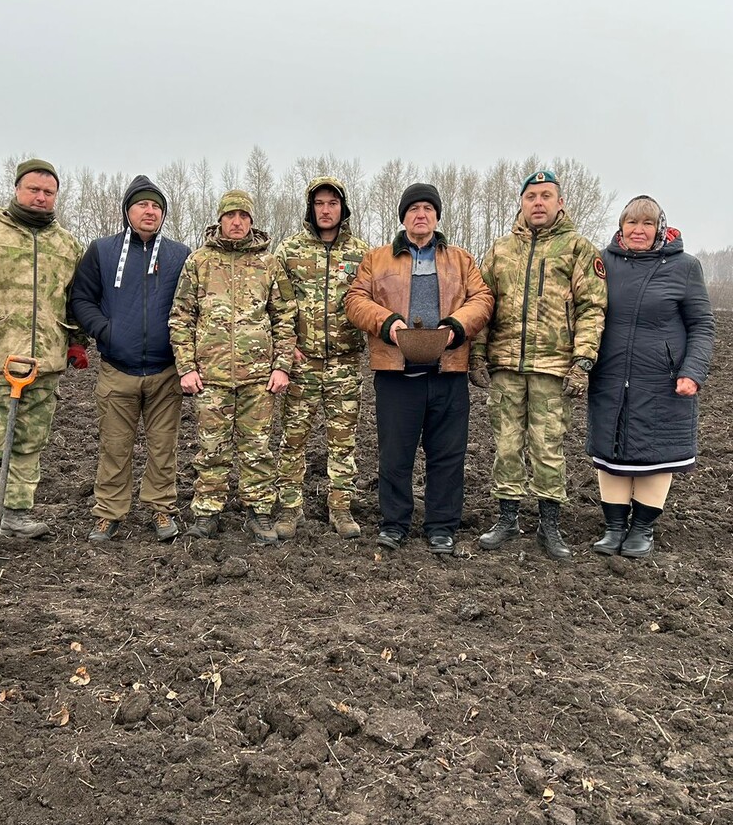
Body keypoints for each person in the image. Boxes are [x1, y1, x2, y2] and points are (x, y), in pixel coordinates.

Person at [0, 158, 88, 560]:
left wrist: (77, 342)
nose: (41, 198)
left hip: (45, 362)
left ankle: (15, 514)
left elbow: (77, 298)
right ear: (17, 189)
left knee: (29, 444)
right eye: (33, 190)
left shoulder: (66, 244)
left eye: (49, 192)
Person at [344, 183, 493, 556]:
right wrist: (387, 322)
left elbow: (483, 299)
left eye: (428, 208)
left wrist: (456, 327)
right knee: (395, 454)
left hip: (449, 371)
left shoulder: (460, 259)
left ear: (437, 216)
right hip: (397, 373)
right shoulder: (377, 259)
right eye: (413, 209)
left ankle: (441, 526)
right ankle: (394, 523)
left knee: (447, 454)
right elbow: (355, 299)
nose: (421, 214)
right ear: (403, 217)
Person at [470, 169, 607, 560]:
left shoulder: (578, 249)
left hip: (553, 367)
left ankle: (550, 525)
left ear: (560, 202)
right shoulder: (500, 250)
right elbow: (484, 305)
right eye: (532, 197)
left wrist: (583, 360)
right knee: (507, 446)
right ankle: (508, 518)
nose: (539, 203)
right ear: (521, 203)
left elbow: (592, 308)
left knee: (548, 448)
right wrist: (478, 353)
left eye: (547, 196)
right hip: (506, 366)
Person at [586, 195, 714, 559]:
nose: (638, 231)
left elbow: (702, 324)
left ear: (660, 228)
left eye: (646, 224)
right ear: (621, 227)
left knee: (654, 455)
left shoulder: (685, 267)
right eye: (631, 223)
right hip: (609, 375)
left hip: (662, 379)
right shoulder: (602, 262)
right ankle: (613, 527)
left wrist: (692, 371)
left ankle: (642, 528)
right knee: (611, 452)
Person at [169, 190, 297, 544]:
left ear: (251, 221)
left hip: (259, 378)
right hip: (211, 377)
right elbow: (181, 317)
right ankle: (207, 512)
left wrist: (282, 365)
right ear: (220, 220)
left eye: (243, 216)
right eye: (230, 216)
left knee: (258, 448)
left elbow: (285, 318)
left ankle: (258, 513)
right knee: (212, 448)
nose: (237, 222)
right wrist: (186, 367)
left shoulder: (269, 264)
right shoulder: (199, 262)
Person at [69, 175, 191, 543]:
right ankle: (109, 513)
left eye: (156, 205)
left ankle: (160, 508)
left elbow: (191, 306)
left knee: (163, 445)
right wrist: (107, 331)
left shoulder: (180, 255)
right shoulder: (102, 251)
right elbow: (81, 298)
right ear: (127, 211)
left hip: (164, 370)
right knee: (115, 445)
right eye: (142, 204)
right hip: (116, 369)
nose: (149, 211)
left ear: (164, 213)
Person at [272, 176, 371, 540]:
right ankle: (288, 508)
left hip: (345, 364)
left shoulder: (362, 253)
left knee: (343, 442)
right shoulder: (289, 251)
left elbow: (373, 301)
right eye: (319, 203)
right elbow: (274, 304)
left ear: (343, 208)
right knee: (293, 439)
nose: (325, 210)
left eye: (332, 203)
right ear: (310, 208)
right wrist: (284, 347)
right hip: (302, 363)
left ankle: (341, 508)